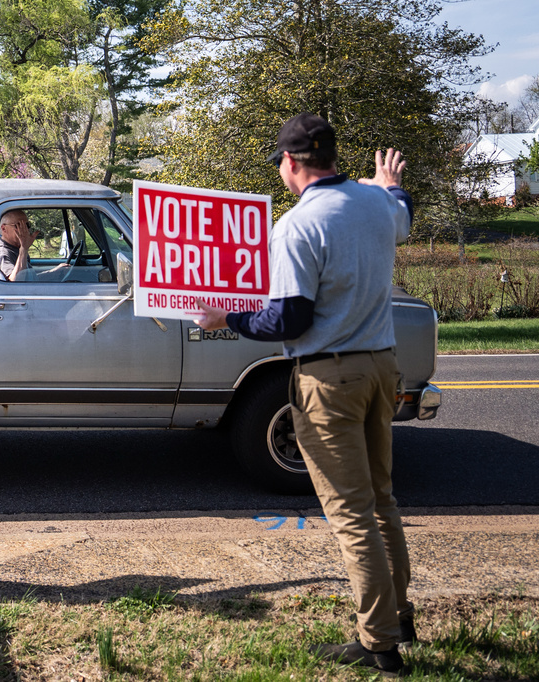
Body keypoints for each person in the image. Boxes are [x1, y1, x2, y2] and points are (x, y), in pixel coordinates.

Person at [194, 113, 415, 674]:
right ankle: (399, 614)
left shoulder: (297, 225)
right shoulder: (376, 204)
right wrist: (391, 184)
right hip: (382, 366)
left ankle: (378, 643)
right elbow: (403, 214)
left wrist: (229, 318)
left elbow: (288, 320)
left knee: (350, 514)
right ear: (332, 158)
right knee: (382, 500)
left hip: (329, 378)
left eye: (283, 167)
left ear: (291, 164)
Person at [0, 209, 68, 281]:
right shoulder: (3, 252)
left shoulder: (15, 247)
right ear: (4, 228)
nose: (25, 229)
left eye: (27, 225)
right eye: (19, 225)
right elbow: (15, 282)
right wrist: (24, 248)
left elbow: (29, 279)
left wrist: (54, 272)